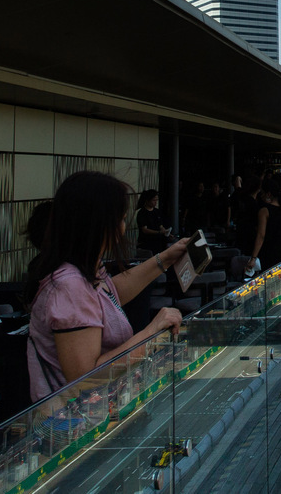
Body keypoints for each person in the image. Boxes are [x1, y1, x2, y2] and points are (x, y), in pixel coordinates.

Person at [26, 172, 189, 402]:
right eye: (121, 219)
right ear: (97, 224)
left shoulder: (82, 271)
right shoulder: (69, 287)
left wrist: (165, 259)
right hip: (76, 428)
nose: (123, 228)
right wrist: (152, 332)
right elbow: (85, 378)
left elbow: (111, 293)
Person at [134, 189, 170, 254]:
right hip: (147, 243)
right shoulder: (142, 213)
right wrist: (159, 232)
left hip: (158, 243)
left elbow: (160, 225)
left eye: (156, 200)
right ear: (148, 200)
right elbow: (144, 230)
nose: (155, 202)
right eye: (154, 200)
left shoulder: (157, 211)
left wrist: (166, 232)